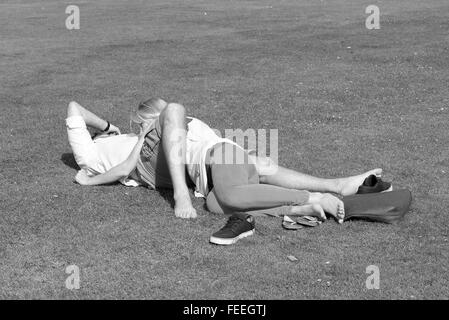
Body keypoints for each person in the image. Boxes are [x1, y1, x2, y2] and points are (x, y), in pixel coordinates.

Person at [70, 98, 385, 227]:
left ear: (152, 119)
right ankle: (310, 201)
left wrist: (89, 179)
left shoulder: (170, 119)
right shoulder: (157, 147)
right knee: (217, 204)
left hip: (221, 159)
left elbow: (173, 110)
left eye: (142, 125)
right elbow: (127, 168)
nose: (142, 134)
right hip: (223, 172)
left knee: (231, 194)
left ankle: (317, 198)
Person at [66, 100, 197, 218]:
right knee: (174, 111)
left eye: (141, 124)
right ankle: (183, 194)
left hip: (158, 149)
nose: (139, 128)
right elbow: (124, 169)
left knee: (175, 112)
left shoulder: (136, 137)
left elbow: (75, 108)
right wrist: (88, 181)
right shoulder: (89, 155)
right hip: (148, 157)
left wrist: (108, 128)